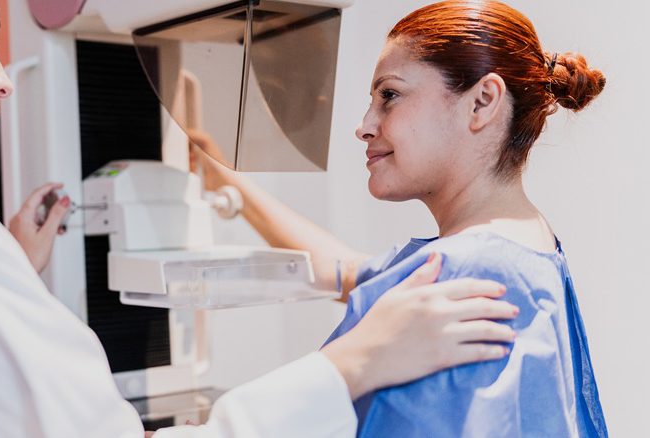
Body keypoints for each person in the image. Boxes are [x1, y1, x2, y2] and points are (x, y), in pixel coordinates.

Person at [0, 1, 520, 436]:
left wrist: (226, 183)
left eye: (390, 96)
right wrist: (350, 365)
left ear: (484, 105)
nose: (1, 73)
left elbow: (346, 273)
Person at [192, 1, 607, 436]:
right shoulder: (523, 247)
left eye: (389, 95)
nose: (364, 126)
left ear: (482, 102)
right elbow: (345, 271)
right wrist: (227, 181)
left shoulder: (462, 274)